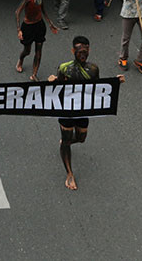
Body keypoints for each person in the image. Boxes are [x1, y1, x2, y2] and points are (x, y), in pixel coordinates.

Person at [47, 36, 123, 191]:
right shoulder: (64, 68)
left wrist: (115, 82)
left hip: (83, 109)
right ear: (73, 51)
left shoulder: (93, 69)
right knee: (67, 139)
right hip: (67, 110)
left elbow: (99, 88)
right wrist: (53, 82)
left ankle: (65, 143)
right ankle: (69, 174)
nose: (83, 53)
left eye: (85, 50)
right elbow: (57, 90)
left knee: (81, 138)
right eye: (80, 50)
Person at [15, 0, 59, 80]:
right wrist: (19, 30)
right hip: (28, 26)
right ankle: (20, 60)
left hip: (39, 25)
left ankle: (34, 74)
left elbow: (42, 8)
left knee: (38, 50)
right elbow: (17, 12)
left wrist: (50, 23)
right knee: (27, 51)